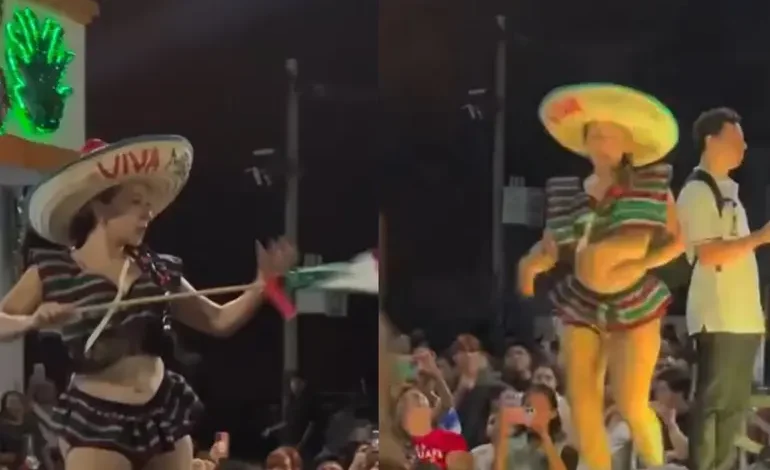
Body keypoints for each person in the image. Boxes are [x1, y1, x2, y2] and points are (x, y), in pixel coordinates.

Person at [0, 136, 297, 470]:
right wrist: (31, 321)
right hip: (96, 422)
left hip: (161, 415)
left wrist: (259, 288)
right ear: (99, 205)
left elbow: (217, 321)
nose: (148, 212)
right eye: (135, 202)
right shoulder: (53, 270)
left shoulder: (157, 268)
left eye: (149, 204)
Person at [518, 83, 684, 470]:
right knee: (582, 401)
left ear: (628, 144)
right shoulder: (569, 194)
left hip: (634, 300)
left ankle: (655, 463)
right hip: (581, 302)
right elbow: (550, 247)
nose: (601, 143)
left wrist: (642, 264)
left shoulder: (650, 187)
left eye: (609, 136)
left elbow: (678, 242)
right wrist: (531, 266)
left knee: (630, 401)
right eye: (594, 135)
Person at [676, 107, 768, 470]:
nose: (743, 148)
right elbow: (709, 252)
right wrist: (760, 237)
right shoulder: (697, 191)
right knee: (713, 403)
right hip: (717, 315)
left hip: (743, 318)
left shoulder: (729, 191)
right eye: (735, 140)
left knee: (733, 408)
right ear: (710, 141)